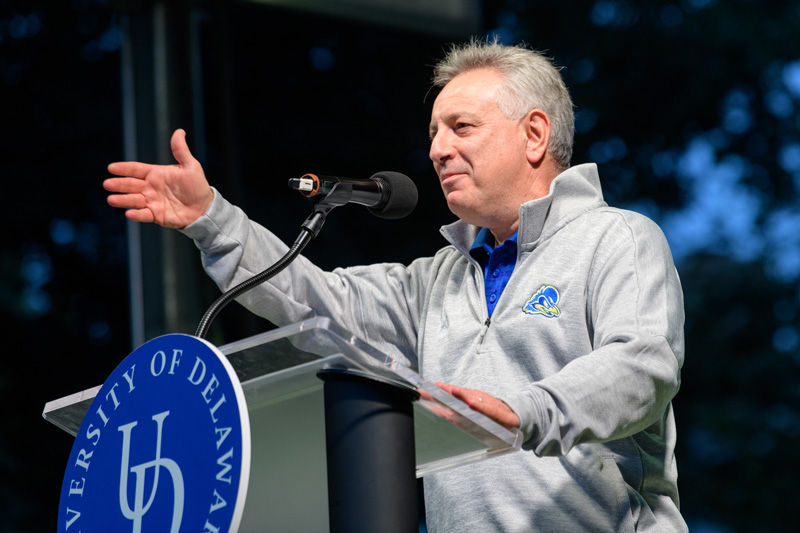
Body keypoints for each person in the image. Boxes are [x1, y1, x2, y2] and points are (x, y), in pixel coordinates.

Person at [105, 38, 686, 532]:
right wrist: (213, 220)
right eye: (434, 133)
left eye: (461, 127)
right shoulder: (434, 282)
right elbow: (314, 300)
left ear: (534, 134)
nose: (437, 150)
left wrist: (523, 411)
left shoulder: (618, 238)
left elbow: (642, 367)